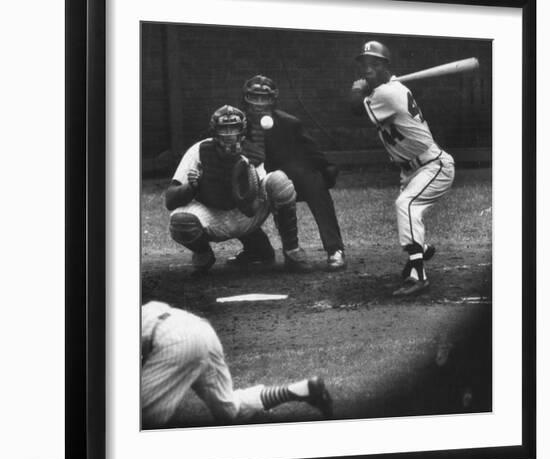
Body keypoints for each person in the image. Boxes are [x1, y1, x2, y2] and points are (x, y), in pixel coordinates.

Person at [350, 41, 455, 296]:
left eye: (374, 65)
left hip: (433, 166)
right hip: (411, 169)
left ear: (385, 67)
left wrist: (357, 90)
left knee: (406, 205)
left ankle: (419, 275)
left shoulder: (386, 94)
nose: (367, 70)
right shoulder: (388, 89)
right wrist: (366, 87)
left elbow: (354, 109)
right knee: (408, 210)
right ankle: (421, 250)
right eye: (364, 65)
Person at [165, 104, 310, 273]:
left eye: (234, 128)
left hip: (244, 214)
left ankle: (291, 250)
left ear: (242, 130)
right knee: (181, 223)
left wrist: (244, 189)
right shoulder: (198, 151)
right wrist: (191, 186)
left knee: (279, 181)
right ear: (214, 131)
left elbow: (251, 209)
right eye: (224, 129)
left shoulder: (252, 154)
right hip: (212, 214)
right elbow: (170, 199)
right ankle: (203, 253)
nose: (229, 135)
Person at [141, 301, 333, 427]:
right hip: (201, 329)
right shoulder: (146, 308)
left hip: (174, 340)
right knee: (229, 412)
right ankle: (300, 389)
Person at [229, 74, 346, 271]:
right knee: (226, 187)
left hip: (282, 182)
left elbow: (315, 155)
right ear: (245, 99)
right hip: (249, 184)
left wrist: (324, 174)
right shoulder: (232, 124)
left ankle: (335, 249)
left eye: (263, 98)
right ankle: (257, 250)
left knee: (313, 180)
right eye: (254, 98)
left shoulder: (289, 123)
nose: (258, 104)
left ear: (273, 100)